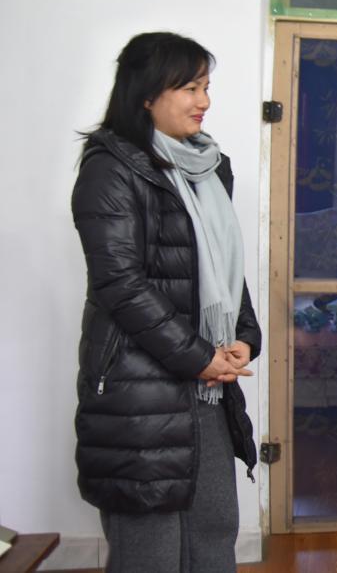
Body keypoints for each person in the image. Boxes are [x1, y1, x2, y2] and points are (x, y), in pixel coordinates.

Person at [71, 32, 260, 572]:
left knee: (214, 534)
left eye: (206, 87)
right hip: (140, 393)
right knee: (149, 549)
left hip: (207, 389)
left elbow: (224, 267)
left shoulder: (209, 167)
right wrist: (199, 356)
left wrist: (243, 337)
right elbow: (121, 284)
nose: (204, 101)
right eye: (190, 88)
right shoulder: (110, 169)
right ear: (147, 94)